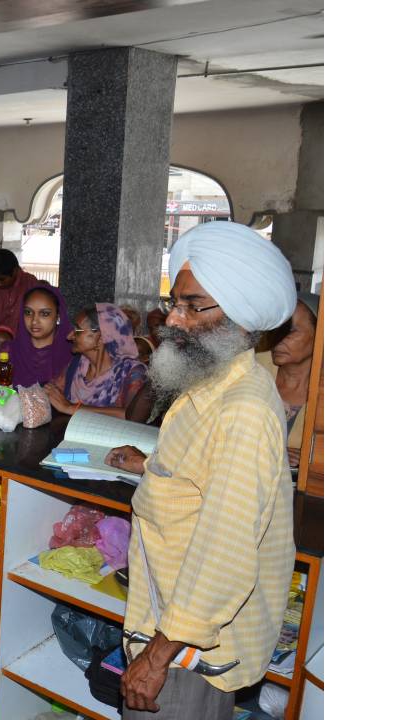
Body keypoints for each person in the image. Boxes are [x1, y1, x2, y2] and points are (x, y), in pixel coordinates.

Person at [103, 221, 297, 719]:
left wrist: (156, 657)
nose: (174, 319)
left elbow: (224, 553)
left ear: (241, 318)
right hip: (167, 623)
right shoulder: (206, 384)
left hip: (188, 652)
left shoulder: (243, 409)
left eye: (193, 306)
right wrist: (154, 466)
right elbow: (201, 473)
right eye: (174, 302)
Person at [46, 303, 147, 418]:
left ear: (100, 338)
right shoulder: (77, 365)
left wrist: (70, 408)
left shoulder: (132, 372)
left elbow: (131, 416)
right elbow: (52, 392)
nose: (69, 336)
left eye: (78, 330)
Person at [257, 292, 319, 448]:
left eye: (290, 331)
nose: (278, 338)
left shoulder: (323, 394)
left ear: (320, 335)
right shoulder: (251, 368)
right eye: (276, 329)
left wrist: (305, 461)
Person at [6, 285, 73, 388]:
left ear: (58, 317)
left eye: (44, 314)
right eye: (28, 312)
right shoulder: (9, 352)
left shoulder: (71, 354)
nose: (34, 321)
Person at [0, 249, 41, 332]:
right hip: (2, 337)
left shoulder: (30, 282)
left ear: (15, 271)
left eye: (2, 279)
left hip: (26, 338)